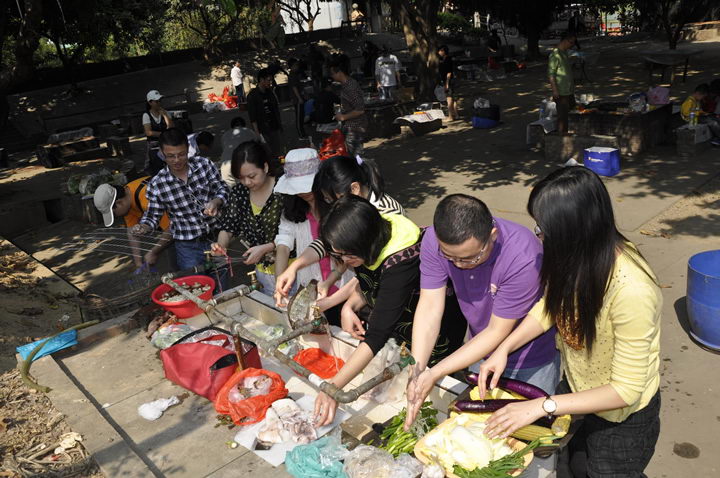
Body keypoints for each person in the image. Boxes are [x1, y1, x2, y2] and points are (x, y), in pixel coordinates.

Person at [478, 167, 661, 478]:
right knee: (571, 465)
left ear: (574, 230)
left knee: (605, 470)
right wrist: (504, 348)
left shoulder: (632, 290)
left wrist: (541, 406)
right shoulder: (578, 258)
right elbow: (550, 307)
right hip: (577, 390)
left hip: (621, 418)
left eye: (544, 229)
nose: (539, 236)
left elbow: (625, 389)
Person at [404, 193, 559, 426]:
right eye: (450, 257)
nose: (459, 265)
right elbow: (429, 306)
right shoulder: (434, 241)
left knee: (534, 436)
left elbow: (497, 331)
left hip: (529, 360)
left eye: (469, 258)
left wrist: (435, 373)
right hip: (479, 351)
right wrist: (417, 368)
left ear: (492, 236)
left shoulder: (523, 256)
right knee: (482, 429)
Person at [313, 196, 466, 427]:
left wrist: (333, 387)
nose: (344, 261)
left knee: (433, 393)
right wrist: (350, 304)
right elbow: (371, 285)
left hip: (433, 333)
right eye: (339, 255)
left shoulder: (402, 261)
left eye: (349, 255)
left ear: (367, 243)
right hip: (401, 327)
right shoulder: (371, 236)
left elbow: (377, 335)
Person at [274, 155, 405, 301]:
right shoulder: (351, 208)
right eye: (327, 200)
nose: (331, 205)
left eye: (333, 199)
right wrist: (294, 268)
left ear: (354, 189)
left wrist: (332, 300)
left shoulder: (386, 213)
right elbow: (324, 242)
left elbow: (378, 272)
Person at [273, 148, 355, 320]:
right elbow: (283, 243)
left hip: (346, 284)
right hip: (314, 286)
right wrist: (280, 279)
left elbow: (339, 243)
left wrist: (333, 277)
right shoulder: (293, 210)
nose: (304, 192)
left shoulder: (337, 204)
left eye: (309, 185)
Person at [132, 128, 228, 272]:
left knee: (222, 284)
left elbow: (223, 189)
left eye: (181, 154)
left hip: (217, 239)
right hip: (188, 247)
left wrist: (216, 201)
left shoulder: (204, 165)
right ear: (162, 153)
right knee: (197, 288)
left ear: (188, 148)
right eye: (170, 156)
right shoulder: (158, 184)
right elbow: (152, 217)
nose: (176, 160)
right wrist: (143, 227)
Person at [211, 141, 283, 295]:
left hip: (293, 267)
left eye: (251, 176)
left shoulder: (283, 188)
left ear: (265, 167)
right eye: (241, 178)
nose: (247, 182)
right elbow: (229, 226)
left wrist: (268, 247)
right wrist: (221, 245)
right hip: (263, 272)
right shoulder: (239, 193)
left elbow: (299, 232)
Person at [93, 179, 172, 273]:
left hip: (187, 223)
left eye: (114, 213)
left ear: (119, 203)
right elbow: (132, 233)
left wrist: (154, 251)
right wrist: (138, 263)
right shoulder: (127, 198)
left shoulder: (146, 197)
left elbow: (171, 228)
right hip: (174, 225)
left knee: (184, 263)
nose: (116, 216)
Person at [329, 54, 368, 158]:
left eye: (332, 73)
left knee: (357, 157)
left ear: (339, 72)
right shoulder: (346, 85)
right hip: (351, 126)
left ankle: (363, 172)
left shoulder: (350, 87)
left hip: (355, 127)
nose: (331, 76)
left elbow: (360, 110)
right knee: (352, 155)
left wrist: (343, 117)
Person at [247, 68, 284, 158]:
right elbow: (252, 116)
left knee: (278, 151)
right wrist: (257, 133)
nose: (270, 82)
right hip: (263, 129)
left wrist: (280, 125)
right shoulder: (252, 95)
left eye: (271, 80)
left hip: (274, 126)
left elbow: (276, 109)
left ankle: (280, 169)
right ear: (261, 80)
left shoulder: (270, 92)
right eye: (268, 80)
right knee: (267, 153)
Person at [220, 117, 261, 187]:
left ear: (232, 126)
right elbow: (257, 143)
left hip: (225, 165)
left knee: (231, 192)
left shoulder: (225, 135)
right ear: (244, 125)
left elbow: (224, 148)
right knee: (246, 190)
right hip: (241, 164)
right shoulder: (249, 131)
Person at [548, 33, 576, 135]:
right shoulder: (555, 55)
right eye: (571, 42)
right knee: (562, 118)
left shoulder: (564, 53)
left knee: (572, 112)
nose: (572, 45)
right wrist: (555, 90)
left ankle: (567, 134)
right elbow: (551, 75)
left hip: (569, 90)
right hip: (561, 92)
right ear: (565, 40)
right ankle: (561, 138)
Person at [142, 90, 174, 176]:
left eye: (160, 101)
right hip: (154, 144)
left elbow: (171, 127)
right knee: (156, 166)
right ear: (150, 102)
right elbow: (148, 132)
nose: (159, 103)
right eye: (156, 101)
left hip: (166, 142)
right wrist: (163, 134)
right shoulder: (146, 115)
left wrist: (165, 115)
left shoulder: (165, 112)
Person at [287, 58, 308, 140]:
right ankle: (301, 135)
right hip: (297, 99)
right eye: (296, 65)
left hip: (299, 98)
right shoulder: (292, 75)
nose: (297, 66)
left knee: (301, 116)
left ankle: (302, 133)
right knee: (299, 117)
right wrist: (299, 98)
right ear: (292, 66)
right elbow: (294, 87)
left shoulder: (295, 74)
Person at [438, 45, 458, 121]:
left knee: (449, 98)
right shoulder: (445, 59)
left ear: (443, 51)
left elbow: (449, 73)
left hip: (449, 80)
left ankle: (450, 116)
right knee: (453, 98)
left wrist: (446, 83)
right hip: (450, 80)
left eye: (440, 51)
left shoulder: (447, 60)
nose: (439, 52)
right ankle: (456, 114)